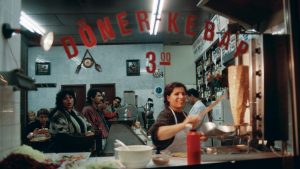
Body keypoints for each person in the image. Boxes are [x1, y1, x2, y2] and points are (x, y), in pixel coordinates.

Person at [149, 82, 206, 152]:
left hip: (184, 158)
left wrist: (198, 137)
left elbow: (186, 138)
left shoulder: (184, 114)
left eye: (183, 94)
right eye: (177, 94)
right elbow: (158, 134)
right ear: (168, 98)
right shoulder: (166, 114)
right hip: (170, 160)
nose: (181, 97)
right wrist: (183, 124)